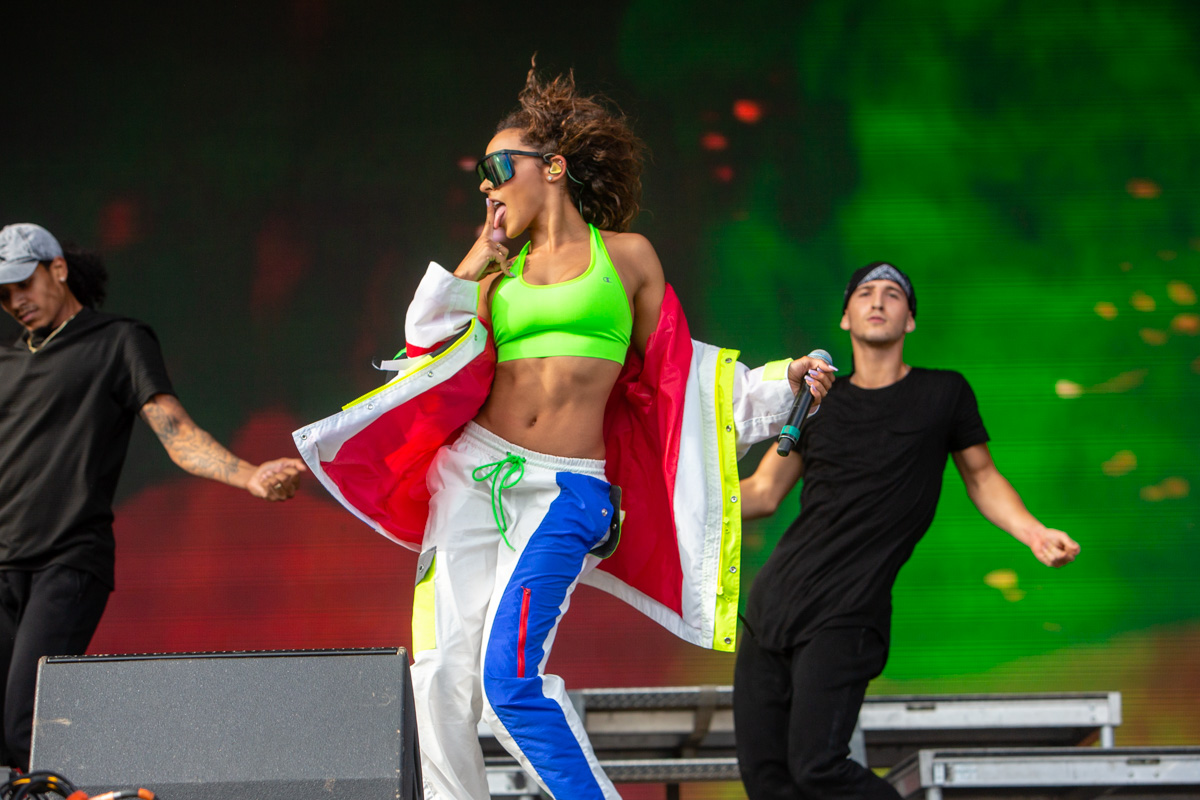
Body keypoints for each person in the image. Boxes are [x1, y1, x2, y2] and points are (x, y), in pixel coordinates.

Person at [293, 66, 835, 800]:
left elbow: (675, 370)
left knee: (508, 683)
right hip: (472, 474)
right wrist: (478, 257)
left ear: (551, 167)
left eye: (497, 169)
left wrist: (780, 380)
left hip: (566, 491)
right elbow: (423, 343)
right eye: (479, 177)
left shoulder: (627, 257)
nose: (487, 188)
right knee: (439, 675)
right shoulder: (497, 273)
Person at [732, 262, 1081, 799]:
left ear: (910, 319)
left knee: (818, 767)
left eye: (892, 294)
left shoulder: (943, 393)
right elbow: (761, 493)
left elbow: (982, 477)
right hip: (772, 603)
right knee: (766, 780)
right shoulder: (818, 402)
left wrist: (1034, 533)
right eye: (865, 293)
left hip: (849, 608)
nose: (877, 301)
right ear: (845, 317)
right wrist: (676, 501)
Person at [0, 222, 306, 771]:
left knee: (28, 723)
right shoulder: (6, 362)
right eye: (4, 294)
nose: (15, 300)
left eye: (23, 283)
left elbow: (177, 432)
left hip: (65, 561)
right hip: (3, 562)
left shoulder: (116, 340)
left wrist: (250, 476)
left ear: (58, 269)